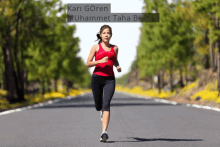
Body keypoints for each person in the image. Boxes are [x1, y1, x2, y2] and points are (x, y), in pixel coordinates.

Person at [86, 24, 121, 142]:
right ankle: (101, 111)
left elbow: (114, 59)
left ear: (111, 35)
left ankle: (104, 132)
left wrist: (117, 66)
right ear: (101, 35)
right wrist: (100, 61)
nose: (107, 35)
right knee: (98, 105)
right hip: (97, 78)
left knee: (106, 103)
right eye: (104, 33)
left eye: (109, 33)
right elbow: (88, 63)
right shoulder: (95, 47)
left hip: (110, 79)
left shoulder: (115, 48)